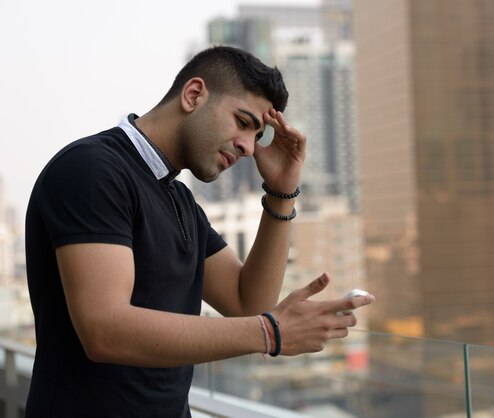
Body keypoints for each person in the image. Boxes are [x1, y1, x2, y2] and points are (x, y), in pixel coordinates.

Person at [24, 45, 374, 417]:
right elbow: (105, 330)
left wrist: (282, 190)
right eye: (243, 122)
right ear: (194, 95)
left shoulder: (178, 199)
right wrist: (269, 333)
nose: (247, 147)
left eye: (257, 136)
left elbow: (248, 304)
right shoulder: (93, 170)